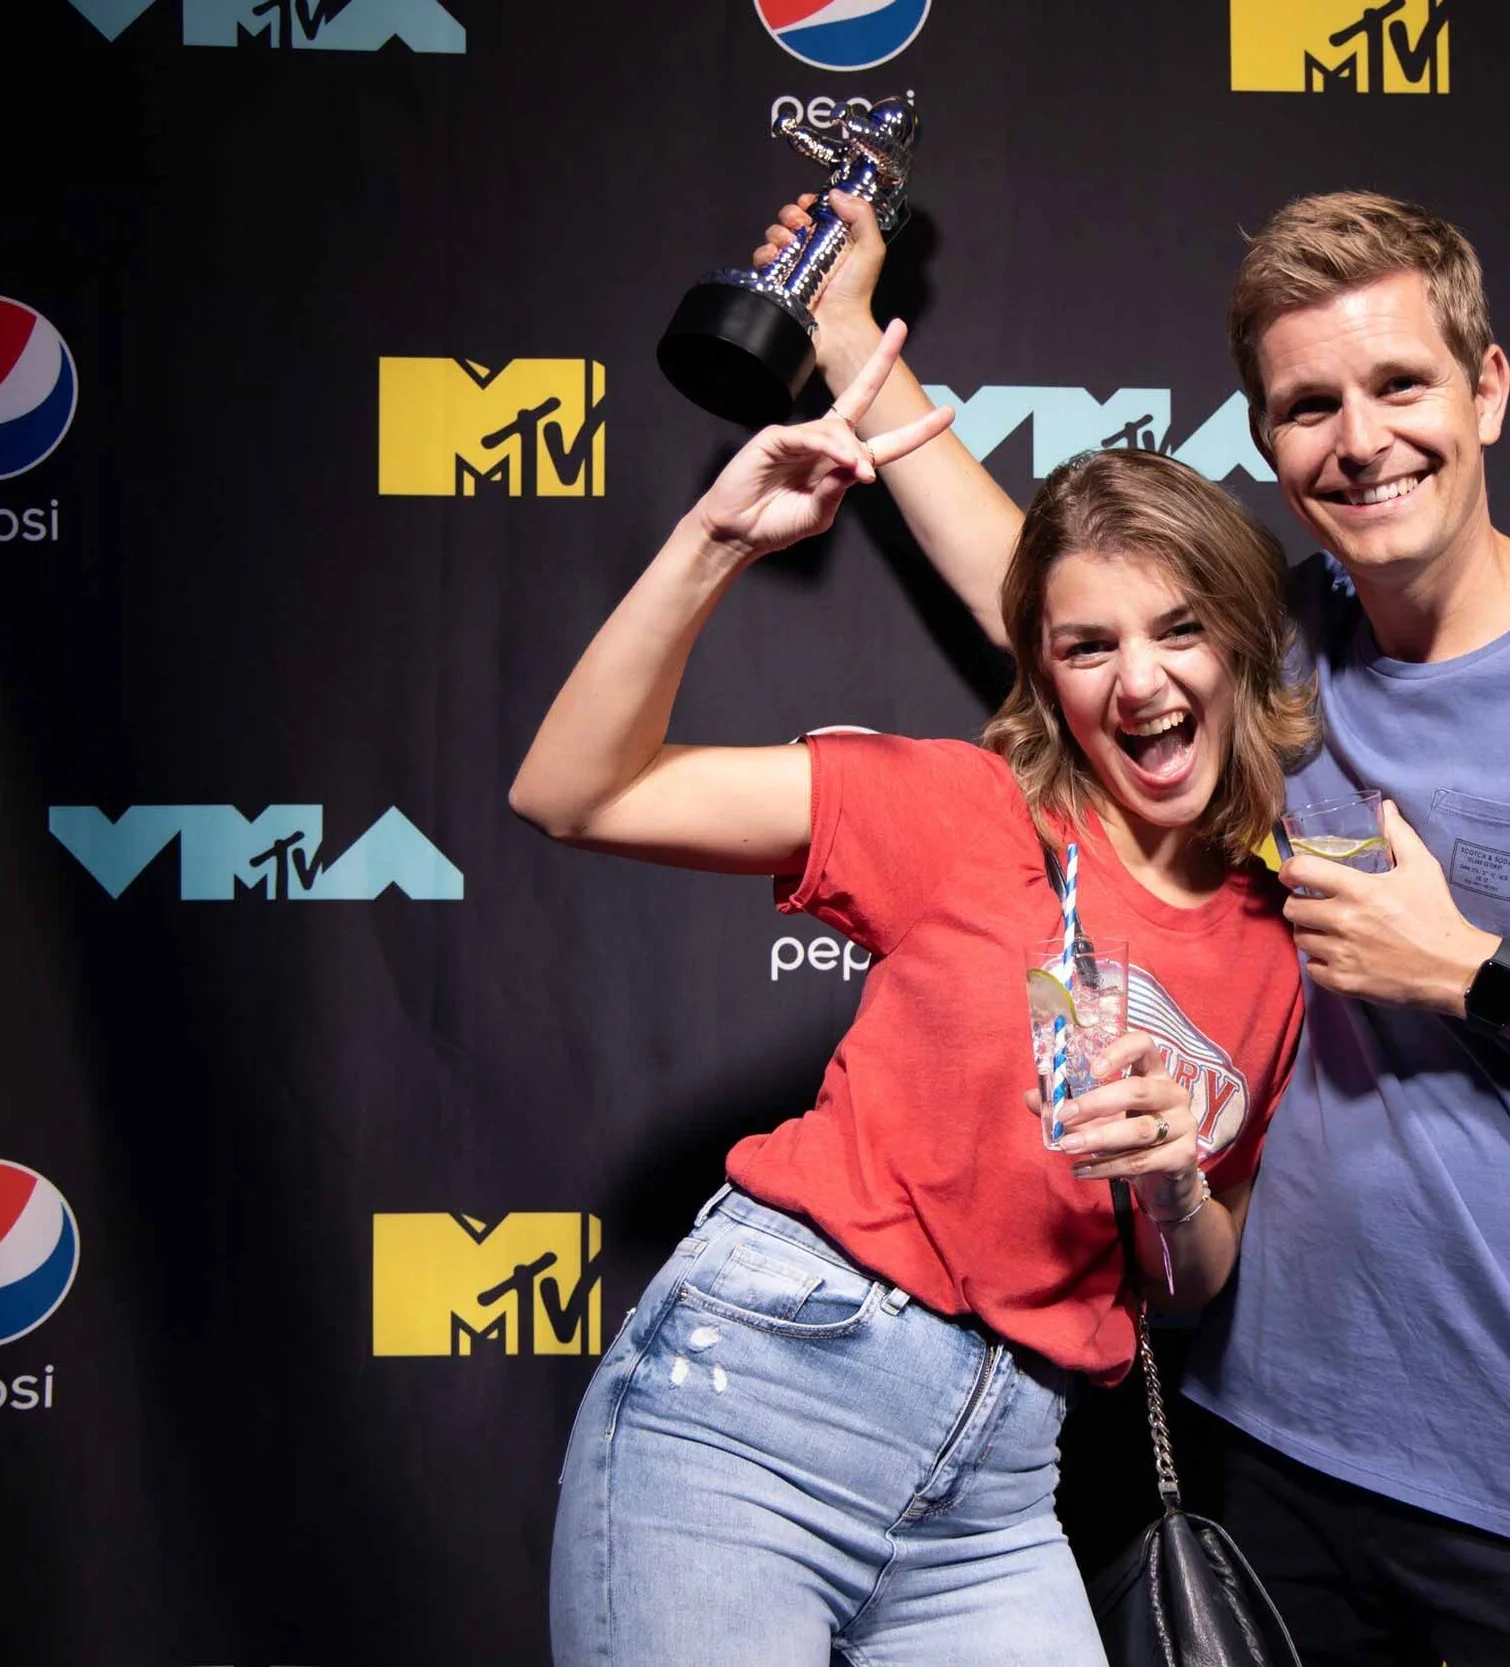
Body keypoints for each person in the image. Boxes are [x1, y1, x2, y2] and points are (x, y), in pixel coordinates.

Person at [764, 188, 1510, 1665]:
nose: (1361, 441)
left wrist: (1474, 972)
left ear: (1486, 390)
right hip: (1264, 1448)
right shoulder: (1271, 653)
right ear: (1268, 439)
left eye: (1401, 384)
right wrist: (851, 341)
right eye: (1309, 407)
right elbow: (1040, 592)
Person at [508, 322, 1315, 1667]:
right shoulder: (963, 809)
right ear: (1046, 676)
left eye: (1181, 628)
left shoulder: (1273, 946)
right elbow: (573, 792)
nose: (1141, 680)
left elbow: (1191, 1274)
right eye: (1088, 646)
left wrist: (1177, 1181)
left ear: (1239, 641)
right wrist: (715, 540)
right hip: (756, 1408)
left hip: (1000, 1494)